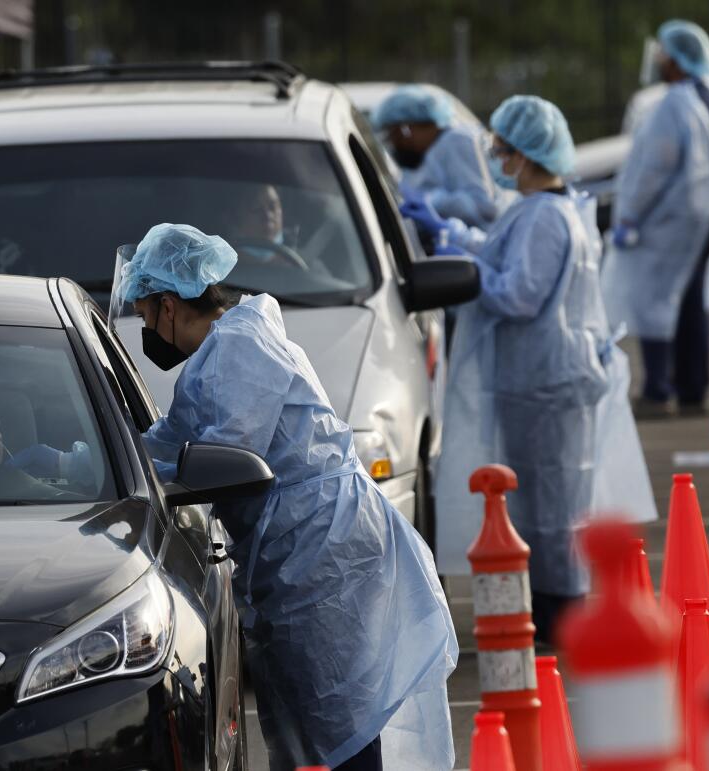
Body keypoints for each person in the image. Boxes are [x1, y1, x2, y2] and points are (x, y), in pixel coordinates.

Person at [114, 222, 457, 771]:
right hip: (302, 550)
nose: (146, 328)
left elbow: (225, 455)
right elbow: (167, 441)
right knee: (315, 724)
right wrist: (80, 458)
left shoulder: (240, 348)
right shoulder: (218, 352)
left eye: (144, 313)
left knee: (338, 721)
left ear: (168, 305)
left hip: (324, 552)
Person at [427, 96, 655, 644]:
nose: (499, 159)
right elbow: (507, 258)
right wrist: (457, 237)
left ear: (526, 153)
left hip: (544, 381)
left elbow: (519, 294)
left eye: (504, 149)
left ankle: (560, 617)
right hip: (542, 378)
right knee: (544, 502)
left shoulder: (546, 217)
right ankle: (554, 608)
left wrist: (468, 268)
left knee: (552, 509)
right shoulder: (545, 210)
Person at [602, 20, 709, 418]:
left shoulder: (674, 106)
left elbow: (652, 171)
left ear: (679, 60)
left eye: (664, 52)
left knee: (657, 303)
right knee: (686, 302)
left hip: (669, 222)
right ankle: (691, 391)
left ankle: (658, 390)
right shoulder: (706, 101)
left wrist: (629, 217)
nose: (659, 60)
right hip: (695, 218)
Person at [373, 84, 500, 230]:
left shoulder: (456, 141)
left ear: (406, 129)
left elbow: (484, 207)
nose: (395, 143)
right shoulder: (428, 152)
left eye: (394, 134)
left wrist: (432, 201)